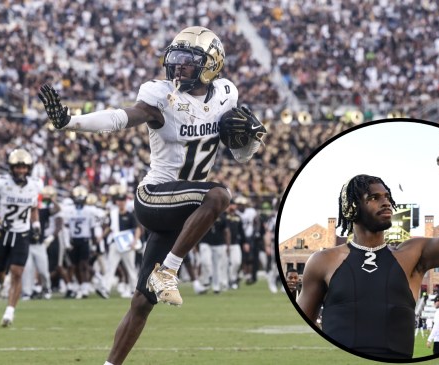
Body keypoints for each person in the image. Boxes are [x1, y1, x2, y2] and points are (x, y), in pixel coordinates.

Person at [39, 26, 265, 365]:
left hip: (185, 210)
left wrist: (249, 138)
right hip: (155, 198)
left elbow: (242, 156)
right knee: (219, 196)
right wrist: (72, 122)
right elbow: (122, 117)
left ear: (211, 64)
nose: (179, 67)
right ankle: (168, 272)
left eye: (189, 62)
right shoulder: (162, 95)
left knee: (143, 303)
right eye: (175, 60)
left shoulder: (226, 95)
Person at [297, 148, 439, 359]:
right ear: (351, 208)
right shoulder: (323, 261)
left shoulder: (413, 255)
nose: (386, 202)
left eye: (387, 197)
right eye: (374, 197)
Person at [0, 149, 44, 327]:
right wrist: (0, 221)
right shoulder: (0, 183)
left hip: (22, 234)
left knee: (17, 273)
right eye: (17, 167)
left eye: (24, 167)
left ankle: (9, 312)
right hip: (3, 233)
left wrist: (36, 225)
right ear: (11, 168)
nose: (21, 171)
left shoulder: (34, 185)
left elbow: (33, 208)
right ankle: (2, 283)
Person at [102, 191, 142, 299]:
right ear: (116, 202)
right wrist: (102, 236)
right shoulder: (113, 214)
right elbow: (110, 227)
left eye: (123, 201)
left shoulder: (130, 215)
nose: (121, 203)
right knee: (111, 267)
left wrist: (134, 241)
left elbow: (138, 228)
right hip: (115, 243)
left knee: (130, 268)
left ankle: (134, 290)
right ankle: (106, 289)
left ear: (125, 202)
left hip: (127, 245)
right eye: (119, 201)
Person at [21, 185, 58, 300]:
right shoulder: (23, 212)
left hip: (39, 244)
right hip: (27, 244)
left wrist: (51, 200)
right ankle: (27, 292)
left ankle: (46, 288)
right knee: (27, 270)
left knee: (43, 270)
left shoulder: (42, 211)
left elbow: (57, 210)